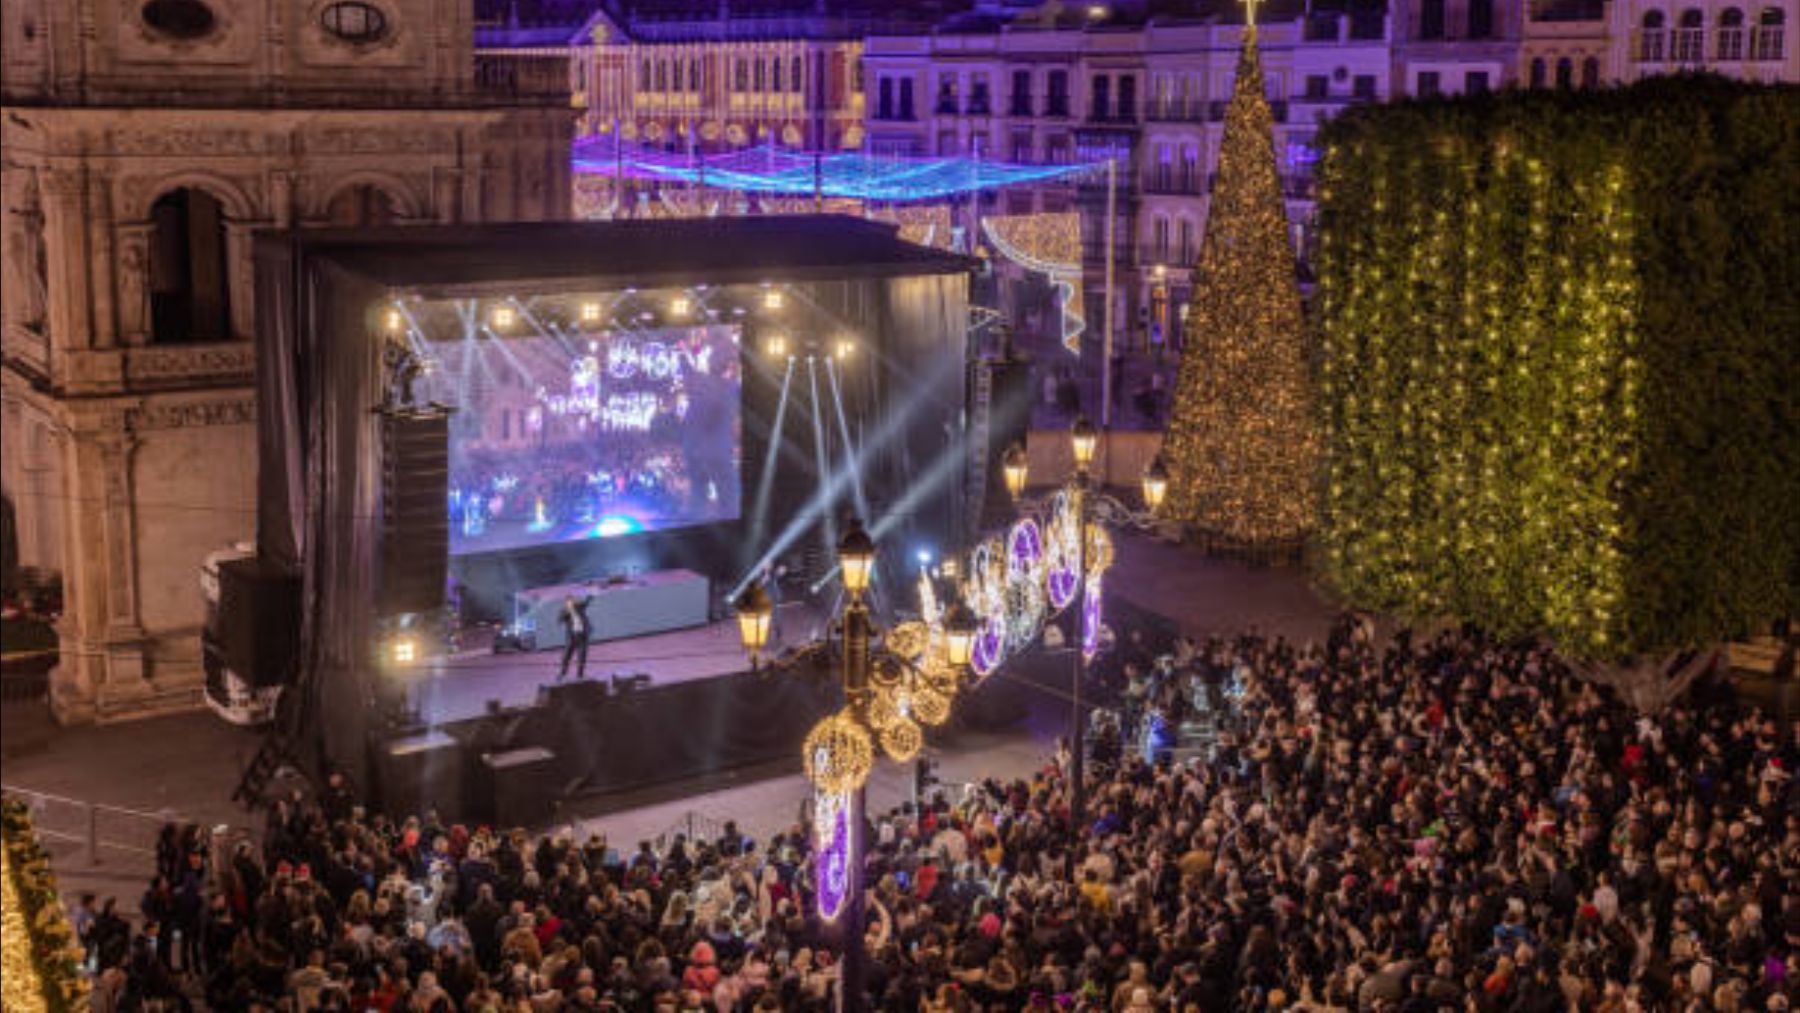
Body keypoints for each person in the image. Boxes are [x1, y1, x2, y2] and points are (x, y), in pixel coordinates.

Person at [557, 593, 593, 682]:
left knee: (582, 657)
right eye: (568, 602)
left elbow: (586, 602)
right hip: (571, 638)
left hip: (582, 637)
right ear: (566, 603)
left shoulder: (579, 607)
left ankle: (580, 675)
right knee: (566, 657)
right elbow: (559, 620)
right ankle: (562, 673)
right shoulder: (564, 611)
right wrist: (568, 611)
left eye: (572, 601)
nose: (571, 603)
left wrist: (590, 595)